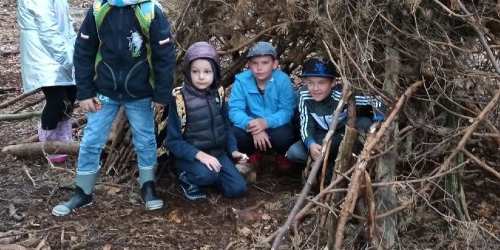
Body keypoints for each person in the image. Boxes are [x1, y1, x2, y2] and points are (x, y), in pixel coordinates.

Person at [52, 0, 176, 217]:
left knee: (144, 138)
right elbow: (83, 53)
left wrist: (161, 93)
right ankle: (83, 192)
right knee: (92, 139)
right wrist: (84, 90)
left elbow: (165, 56)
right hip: (104, 91)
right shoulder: (99, 9)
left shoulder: (150, 11)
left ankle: (148, 186)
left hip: (140, 91)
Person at [8, 0, 77, 164]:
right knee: (57, 100)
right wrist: (66, 59)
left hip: (58, 47)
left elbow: (64, 20)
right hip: (44, 51)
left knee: (71, 94)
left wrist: (73, 47)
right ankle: (48, 142)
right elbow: (46, 27)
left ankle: (63, 137)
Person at [165, 42, 248, 200]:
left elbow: (226, 126)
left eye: (207, 71)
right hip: (190, 157)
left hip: (217, 154)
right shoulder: (179, 100)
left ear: (215, 72)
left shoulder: (218, 94)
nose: (201, 77)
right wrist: (200, 156)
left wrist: (233, 150)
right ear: (188, 72)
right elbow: (173, 141)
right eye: (195, 71)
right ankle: (186, 177)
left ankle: (212, 175)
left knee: (237, 189)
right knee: (207, 175)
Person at [286, 58, 386, 184]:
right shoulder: (304, 96)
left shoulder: (342, 95)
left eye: (322, 83)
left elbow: (377, 101)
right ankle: (321, 168)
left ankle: (341, 166)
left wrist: (378, 120)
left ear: (333, 82)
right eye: (310, 83)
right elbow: (306, 124)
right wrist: (310, 143)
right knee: (294, 152)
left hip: (341, 136)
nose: (315, 88)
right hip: (320, 139)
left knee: (364, 124)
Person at [228, 41, 299, 172]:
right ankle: (251, 158)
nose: (259, 68)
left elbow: (287, 110)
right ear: (249, 65)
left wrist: (266, 123)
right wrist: (253, 126)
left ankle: (283, 156)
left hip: (274, 126)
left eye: (265, 63)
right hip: (250, 127)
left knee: (284, 136)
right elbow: (235, 110)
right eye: (255, 63)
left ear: (275, 64)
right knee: (236, 133)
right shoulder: (241, 81)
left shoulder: (282, 80)